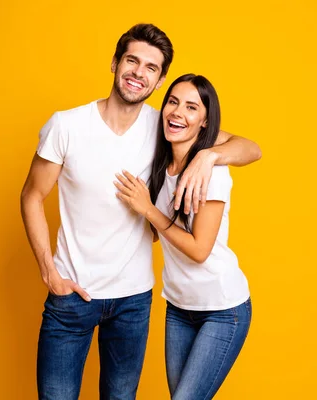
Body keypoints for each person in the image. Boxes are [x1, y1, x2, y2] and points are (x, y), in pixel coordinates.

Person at [20, 24, 261, 400]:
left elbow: (251, 148)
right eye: (132, 60)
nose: (139, 72)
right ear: (115, 63)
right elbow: (32, 195)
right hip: (72, 297)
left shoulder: (166, 126)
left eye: (151, 67)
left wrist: (210, 156)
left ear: (159, 79)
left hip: (134, 301)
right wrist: (49, 273)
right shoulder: (67, 125)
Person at [115, 73, 253, 400]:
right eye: (173, 102)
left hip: (223, 309)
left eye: (192, 107)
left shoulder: (212, 173)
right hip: (178, 307)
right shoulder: (161, 164)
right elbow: (152, 234)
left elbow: (199, 249)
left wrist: (148, 210)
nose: (178, 112)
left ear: (205, 123)